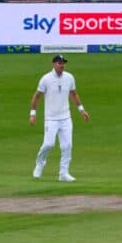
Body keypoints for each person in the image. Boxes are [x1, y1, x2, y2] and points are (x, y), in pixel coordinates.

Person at [28, 52, 88, 181]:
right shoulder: (46, 79)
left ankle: (63, 173)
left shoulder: (69, 77)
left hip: (66, 118)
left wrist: (81, 110)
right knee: (48, 144)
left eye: (63, 63)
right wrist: (32, 114)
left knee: (67, 146)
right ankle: (40, 164)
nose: (62, 65)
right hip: (51, 118)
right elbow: (36, 96)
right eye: (59, 63)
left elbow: (74, 94)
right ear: (54, 64)